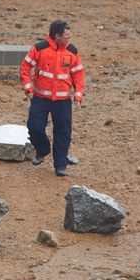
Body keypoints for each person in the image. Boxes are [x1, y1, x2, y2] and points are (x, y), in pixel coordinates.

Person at [20, 20, 85, 176]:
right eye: (66, 35)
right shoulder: (40, 48)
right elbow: (25, 68)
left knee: (63, 132)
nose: (69, 38)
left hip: (62, 100)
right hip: (41, 97)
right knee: (34, 126)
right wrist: (28, 88)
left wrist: (78, 94)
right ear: (57, 36)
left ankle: (60, 164)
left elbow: (78, 73)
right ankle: (42, 150)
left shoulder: (72, 51)